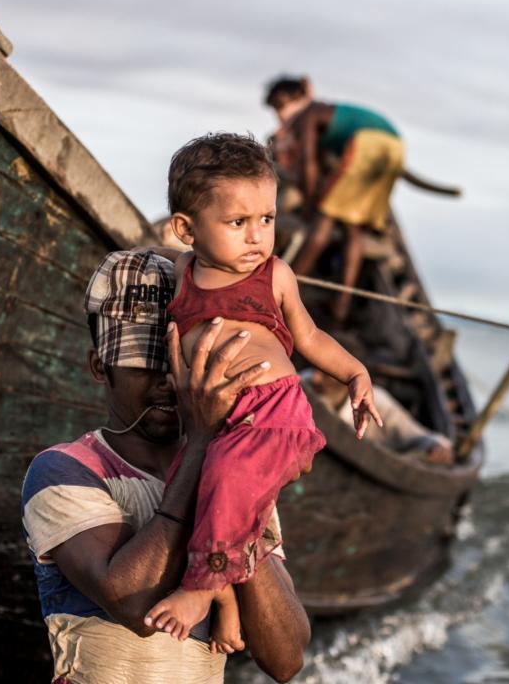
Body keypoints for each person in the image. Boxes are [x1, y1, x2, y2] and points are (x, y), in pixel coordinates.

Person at [20, 250, 310, 683]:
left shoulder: (236, 475)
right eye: (148, 359)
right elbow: (134, 605)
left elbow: (285, 658)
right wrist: (202, 447)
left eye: (186, 356)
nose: (170, 377)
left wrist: (233, 498)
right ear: (100, 366)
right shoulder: (64, 470)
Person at [140, 133, 383, 644]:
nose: (257, 237)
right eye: (237, 222)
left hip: (273, 413)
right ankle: (227, 601)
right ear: (186, 229)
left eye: (266, 220)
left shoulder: (275, 276)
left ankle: (201, 591)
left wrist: (356, 374)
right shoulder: (181, 271)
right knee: (189, 495)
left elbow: (310, 337)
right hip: (213, 417)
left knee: (226, 483)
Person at [264, 75, 406, 320]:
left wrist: (310, 207)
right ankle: (342, 303)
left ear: (300, 97)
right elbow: (316, 164)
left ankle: (279, 295)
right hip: (395, 146)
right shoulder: (326, 114)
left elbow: (309, 163)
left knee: (323, 221)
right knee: (353, 228)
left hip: (369, 145)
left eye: (281, 106)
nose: (281, 115)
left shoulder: (309, 114)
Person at [302, 369, 454, 465]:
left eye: (327, 374)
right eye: (318, 368)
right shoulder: (306, 382)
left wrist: (437, 448)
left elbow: (420, 436)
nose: (316, 378)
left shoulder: (377, 404)